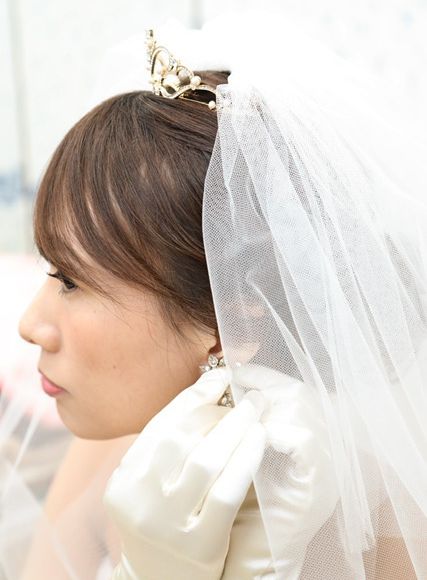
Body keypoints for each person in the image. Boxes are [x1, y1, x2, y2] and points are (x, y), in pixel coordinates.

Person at [2, 9, 427, 579]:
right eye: (51, 270)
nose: (30, 324)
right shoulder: (109, 443)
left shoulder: (377, 534)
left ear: (234, 325)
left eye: (71, 282)